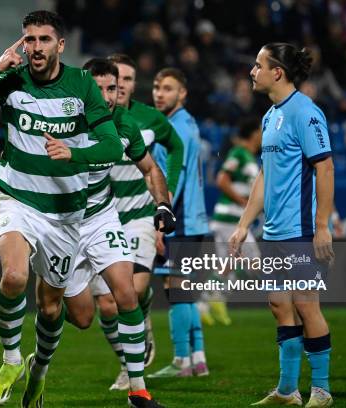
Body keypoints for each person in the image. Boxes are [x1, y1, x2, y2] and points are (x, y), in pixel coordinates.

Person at [0, 10, 124, 407]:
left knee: (52, 305)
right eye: (29, 40)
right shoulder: (11, 79)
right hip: (18, 198)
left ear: (60, 45)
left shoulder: (81, 86)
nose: (35, 47)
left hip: (65, 214)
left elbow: (112, 147)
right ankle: (10, 360)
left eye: (44, 39)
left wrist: (72, 151)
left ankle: (38, 371)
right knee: (12, 275)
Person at [62, 58, 173, 407]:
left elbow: (153, 166)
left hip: (116, 218)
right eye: (101, 88)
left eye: (115, 87)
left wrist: (164, 204)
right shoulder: (62, 120)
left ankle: (136, 384)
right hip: (65, 225)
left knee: (128, 292)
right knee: (86, 315)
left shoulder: (127, 125)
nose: (110, 95)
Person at [229, 43, 334, 407]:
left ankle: (321, 390)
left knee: (307, 306)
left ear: (278, 72)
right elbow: (264, 175)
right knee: (279, 305)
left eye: (258, 65)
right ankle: (288, 391)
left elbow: (325, 167)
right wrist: (244, 224)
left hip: (300, 230)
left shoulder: (305, 113)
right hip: (273, 231)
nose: (252, 72)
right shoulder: (271, 115)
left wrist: (322, 225)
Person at [107, 53, 184, 368]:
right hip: (105, 218)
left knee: (134, 289)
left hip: (140, 216)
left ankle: (131, 368)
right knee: (105, 307)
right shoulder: (93, 117)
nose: (121, 85)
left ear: (133, 84)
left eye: (127, 79)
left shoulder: (151, 118)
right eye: (116, 79)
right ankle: (128, 356)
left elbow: (176, 146)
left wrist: (168, 195)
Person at [147, 68, 210, 379]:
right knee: (184, 290)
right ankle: (198, 358)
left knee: (176, 290)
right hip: (191, 219)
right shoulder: (185, 123)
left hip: (180, 218)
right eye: (157, 87)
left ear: (182, 93)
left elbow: (177, 176)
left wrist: (161, 223)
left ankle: (181, 360)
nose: (160, 93)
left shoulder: (178, 128)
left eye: (168, 88)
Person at [200, 117, 262, 327]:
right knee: (250, 261)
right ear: (254, 133)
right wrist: (243, 201)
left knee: (231, 263)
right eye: (261, 131)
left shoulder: (250, 157)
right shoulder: (238, 153)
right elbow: (221, 179)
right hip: (230, 218)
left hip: (234, 219)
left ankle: (207, 304)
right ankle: (215, 298)